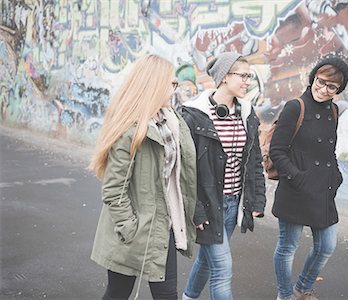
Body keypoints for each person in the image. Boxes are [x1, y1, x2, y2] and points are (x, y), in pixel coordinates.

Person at [89, 54, 197, 300]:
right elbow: (114, 189)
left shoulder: (170, 122)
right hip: (133, 229)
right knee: (118, 292)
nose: (175, 90)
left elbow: (178, 176)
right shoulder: (131, 130)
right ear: (155, 84)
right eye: (172, 84)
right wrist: (130, 228)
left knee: (167, 294)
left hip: (163, 225)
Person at [181, 52, 266, 300]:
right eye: (243, 75)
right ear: (225, 76)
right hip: (207, 205)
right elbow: (185, 169)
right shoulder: (194, 114)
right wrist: (195, 209)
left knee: (208, 261)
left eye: (249, 76)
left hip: (232, 203)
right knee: (222, 268)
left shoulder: (247, 113)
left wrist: (256, 199)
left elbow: (254, 160)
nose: (247, 81)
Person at [270, 56, 348, 300]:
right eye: (320, 81)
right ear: (313, 77)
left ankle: (302, 289)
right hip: (296, 189)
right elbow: (277, 151)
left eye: (331, 87)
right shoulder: (295, 107)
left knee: (326, 246)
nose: (323, 89)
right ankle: (285, 295)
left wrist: (336, 176)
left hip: (322, 190)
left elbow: (329, 150)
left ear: (338, 90)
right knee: (287, 247)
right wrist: (297, 177)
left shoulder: (333, 111)